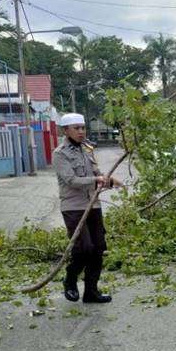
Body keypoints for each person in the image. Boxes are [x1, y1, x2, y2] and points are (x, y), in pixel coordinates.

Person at [54, 113, 122, 303]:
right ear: (66, 130)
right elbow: (71, 180)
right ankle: (70, 280)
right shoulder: (60, 154)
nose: (81, 131)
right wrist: (96, 180)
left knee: (98, 247)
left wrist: (108, 181)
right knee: (84, 248)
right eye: (76, 128)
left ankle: (91, 291)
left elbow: (97, 173)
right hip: (73, 207)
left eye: (82, 128)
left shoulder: (87, 150)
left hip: (93, 205)